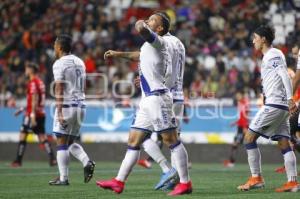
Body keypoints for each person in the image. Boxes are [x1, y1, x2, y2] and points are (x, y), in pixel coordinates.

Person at [96, 12, 192, 196]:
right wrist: (121, 56)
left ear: (160, 28)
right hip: (149, 99)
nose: (149, 20)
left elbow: (141, 29)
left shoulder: (160, 41)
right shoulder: (170, 43)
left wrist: (141, 22)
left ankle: (184, 182)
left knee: (171, 140)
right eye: (148, 18)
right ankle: (118, 181)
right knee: (134, 140)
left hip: (159, 97)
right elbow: (144, 57)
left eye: (153, 19)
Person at [237, 25, 299, 192]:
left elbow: (284, 75)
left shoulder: (273, 54)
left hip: (275, 105)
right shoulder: (269, 56)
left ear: (263, 39)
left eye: (255, 37)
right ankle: (292, 182)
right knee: (284, 143)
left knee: (249, 138)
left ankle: (256, 177)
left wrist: (290, 98)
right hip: (279, 105)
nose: (253, 40)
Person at [48, 34, 95, 186]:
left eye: (55, 45)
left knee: (61, 142)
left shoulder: (59, 63)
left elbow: (59, 87)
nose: (54, 48)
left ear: (60, 47)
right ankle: (86, 161)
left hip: (67, 106)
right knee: (70, 142)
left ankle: (64, 178)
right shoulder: (80, 62)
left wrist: (59, 111)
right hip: (81, 106)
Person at [11, 62, 56, 167]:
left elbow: (34, 99)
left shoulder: (33, 82)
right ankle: (52, 159)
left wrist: (32, 115)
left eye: (27, 69)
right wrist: (22, 109)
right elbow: (35, 100)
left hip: (33, 114)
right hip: (41, 113)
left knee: (23, 134)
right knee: (42, 137)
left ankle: (18, 161)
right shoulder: (40, 82)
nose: (25, 71)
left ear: (31, 70)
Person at [223, 91, 249, 168]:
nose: (237, 97)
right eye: (236, 96)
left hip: (242, 127)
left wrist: (244, 127)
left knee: (236, 144)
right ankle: (231, 162)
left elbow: (245, 116)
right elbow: (241, 117)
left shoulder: (244, 103)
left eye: (238, 95)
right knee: (237, 144)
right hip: (240, 127)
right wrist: (234, 123)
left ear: (242, 95)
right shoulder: (240, 103)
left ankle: (231, 162)